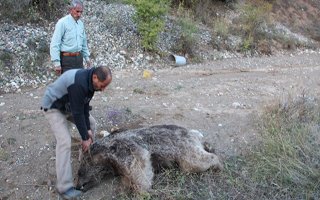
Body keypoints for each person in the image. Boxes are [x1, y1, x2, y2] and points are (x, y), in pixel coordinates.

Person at [41, 66, 112, 199]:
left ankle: (85, 156)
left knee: (91, 123)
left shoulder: (91, 82)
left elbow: (84, 106)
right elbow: (77, 113)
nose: (103, 90)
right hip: (53, 107)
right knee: (64, 142)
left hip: (69, 105)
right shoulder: (78, 83)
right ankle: (64, 188)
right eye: (102, 86)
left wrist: (88, 131)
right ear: (95, 77)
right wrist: (84, 137)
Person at [50, 0, 91, 75]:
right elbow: (55, 43)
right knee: (67, 84)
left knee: (79, 83)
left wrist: (87, 58)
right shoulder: (62, 23)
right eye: (77, 11)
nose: (79, 14)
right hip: (67, 60)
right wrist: (56, 63)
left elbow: (84, 43)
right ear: (71, 10)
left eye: (81, 12)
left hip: (79, 59)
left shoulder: (80, 24)